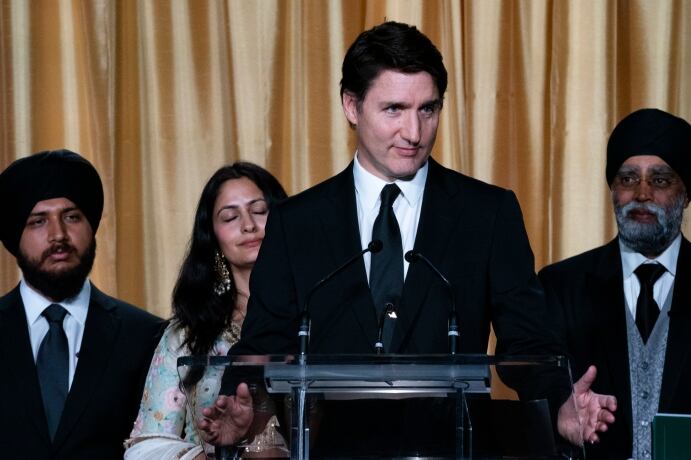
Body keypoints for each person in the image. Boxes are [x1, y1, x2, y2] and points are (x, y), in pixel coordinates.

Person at [198, 21, 616, 455]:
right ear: (351, 106)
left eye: (428, 110)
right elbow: (264, 344)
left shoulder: (487, 213)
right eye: (394, 109)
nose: (414, 133)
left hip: (453, 447)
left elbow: (527, 339)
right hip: (333, 447)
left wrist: (561, 400)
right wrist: (239, 409)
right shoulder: (296, 222)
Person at [538, 108, 691, 459]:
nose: (642, 194)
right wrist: (561, 413)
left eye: (661, 180)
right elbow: (537, 402)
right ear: (612, 189)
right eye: (628, 179)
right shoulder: (561, 286)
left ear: (686, 194)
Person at [0, 149, 166, 459]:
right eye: (38, 222)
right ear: (14, 238)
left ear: (92, 227)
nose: (58, 235)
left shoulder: (146, 336)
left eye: (72, 217)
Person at [124, 163, 288, 459]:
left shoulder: (314, 318)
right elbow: (144, 447)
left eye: (260, 210)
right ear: (212, 239)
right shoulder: (188, 333)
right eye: (230, 216)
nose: (248, 225)